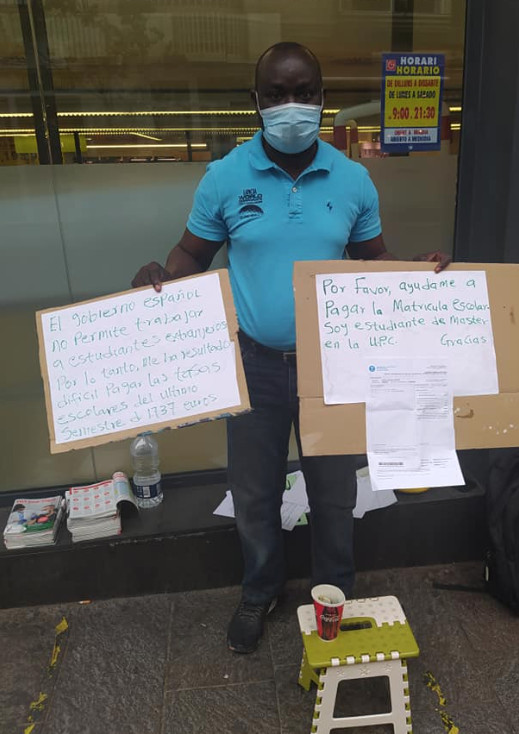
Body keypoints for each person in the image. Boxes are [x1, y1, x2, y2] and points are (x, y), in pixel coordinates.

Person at [132, 41, 451, 654]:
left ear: (322, 100)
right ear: (256, 102)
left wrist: (418, 274)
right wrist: (161, 277)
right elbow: (193, 253)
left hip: (332, 368)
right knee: (254, 492)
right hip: (253, 364)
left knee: (334, 492)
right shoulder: (225, 177)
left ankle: (333, 593)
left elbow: (373, 260)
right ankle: (259, 590)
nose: (291, 105)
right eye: (276, 95)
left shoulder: (353, 179)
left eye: (303, 92)